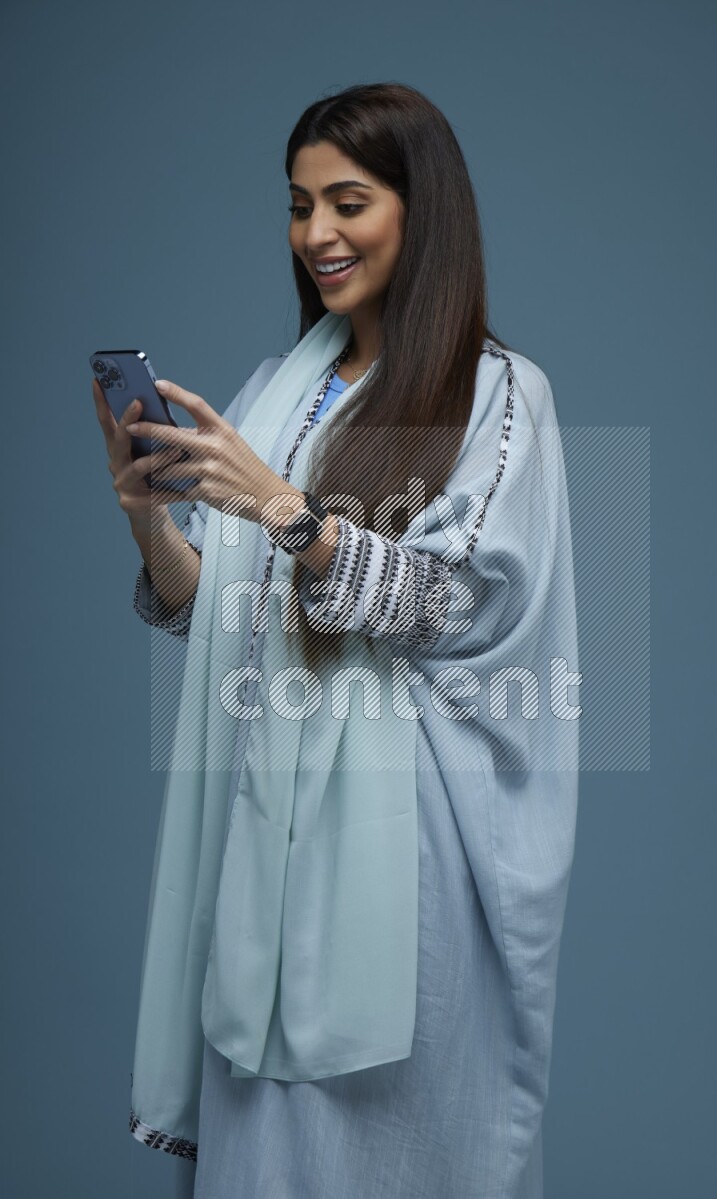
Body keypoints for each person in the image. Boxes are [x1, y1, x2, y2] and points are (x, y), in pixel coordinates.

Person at [94, 82, 580, 1199]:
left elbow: (452, 612)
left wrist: (286, 512)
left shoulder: (499, 398)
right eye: (298, 204)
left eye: (347, 200)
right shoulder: (282, 390)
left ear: (422, 212)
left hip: (403, 865)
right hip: (263, 840)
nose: (315, 233)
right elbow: (222, 615)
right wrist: (146, 513)